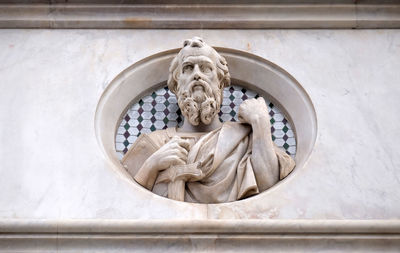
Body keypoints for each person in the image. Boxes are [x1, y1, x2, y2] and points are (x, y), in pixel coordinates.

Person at [122, 37, 295, 203]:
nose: (197, 75)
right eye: (188, 68)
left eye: (206, 68)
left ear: (220, 83)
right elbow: (128, 201)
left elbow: (268, 186)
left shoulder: (245, 139)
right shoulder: (155, 144)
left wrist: (260, 123)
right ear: (176, 85)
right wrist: (152, 164)